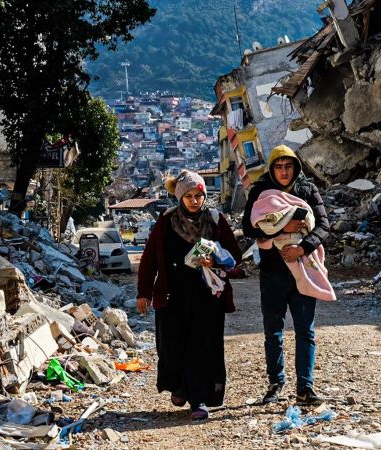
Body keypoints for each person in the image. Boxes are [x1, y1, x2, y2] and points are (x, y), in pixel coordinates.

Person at [136, 170, 243, 420]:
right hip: (173, 294)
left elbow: (234, 256)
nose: (194, 201)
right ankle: (180, 386)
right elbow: (149, 258)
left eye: (199, 195)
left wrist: (214, 259)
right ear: (180, 197)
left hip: (207, 296)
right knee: (171, 346)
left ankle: (200, 399)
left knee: (202, 347)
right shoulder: (166, 221)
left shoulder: (216, 220)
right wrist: (144, 292)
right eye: (189, 196)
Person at [242, 145, 330, 405]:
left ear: (296, 167)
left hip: (303, 268)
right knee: (274, 332)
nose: (283, 171)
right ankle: (275, 383)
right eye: (278, 167)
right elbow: (248, 226)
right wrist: (282, 227)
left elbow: (324, 225)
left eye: (288, 166)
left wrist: (302, 247)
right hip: (273, 272)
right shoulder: (260, 190)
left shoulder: (307, 190)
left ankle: (305, 387)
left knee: (306, 331)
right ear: (271, 169)